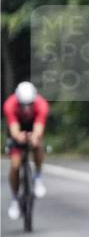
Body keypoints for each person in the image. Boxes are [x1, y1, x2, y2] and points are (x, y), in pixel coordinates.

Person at [4, 81, 49, 219]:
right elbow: (13, 128)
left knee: (38, 145)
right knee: (15, 165)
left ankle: (38, 176)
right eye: (23, 104)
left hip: (32, 127)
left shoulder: (41, 104)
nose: (26, 107)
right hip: (17, 129)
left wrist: (34, 137)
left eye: (29, 104)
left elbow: (39, 126)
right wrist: (18, 136)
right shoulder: (10, 104)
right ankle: (14, 199)